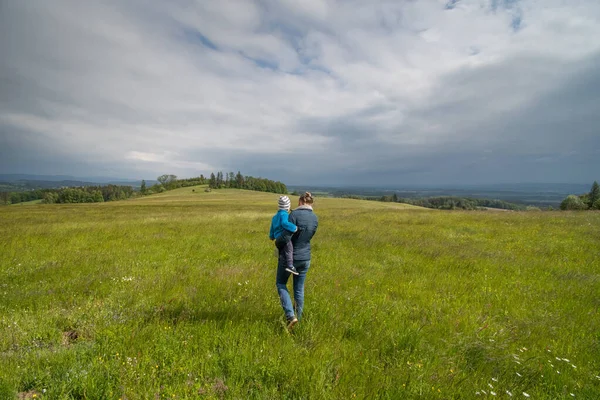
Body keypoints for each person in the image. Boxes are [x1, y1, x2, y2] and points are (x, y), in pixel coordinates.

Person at [275, 192, 318, 329]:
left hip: (290, 258)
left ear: (300, 201)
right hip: (306, 258)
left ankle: (290, 316)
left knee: (281, 283)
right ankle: (297, 319)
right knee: (299, 289)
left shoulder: (293, 215)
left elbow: (286, 237)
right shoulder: (315, 218)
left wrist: (277, 242)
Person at [269, 196, 299, 275]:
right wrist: (294, 228)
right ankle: (290, 266)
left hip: (277, 239)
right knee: (289, 249)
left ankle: (282, 263)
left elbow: (272, 228)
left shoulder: (275, 217)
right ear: (287, 206)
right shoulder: (284, 214)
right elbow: (284, 223)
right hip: (283, 237)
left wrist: (271, 236)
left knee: (283, 252)